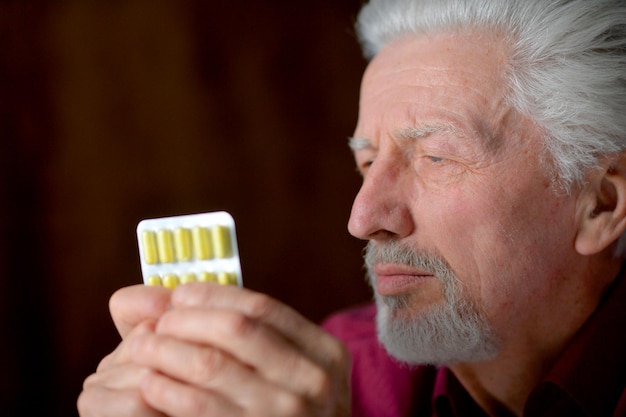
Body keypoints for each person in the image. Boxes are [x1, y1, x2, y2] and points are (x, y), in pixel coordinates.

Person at [77, 0, 626, 416]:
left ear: (601, 204)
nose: (363, 219)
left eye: (435, 157)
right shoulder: (318, 374)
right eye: (367, 164)